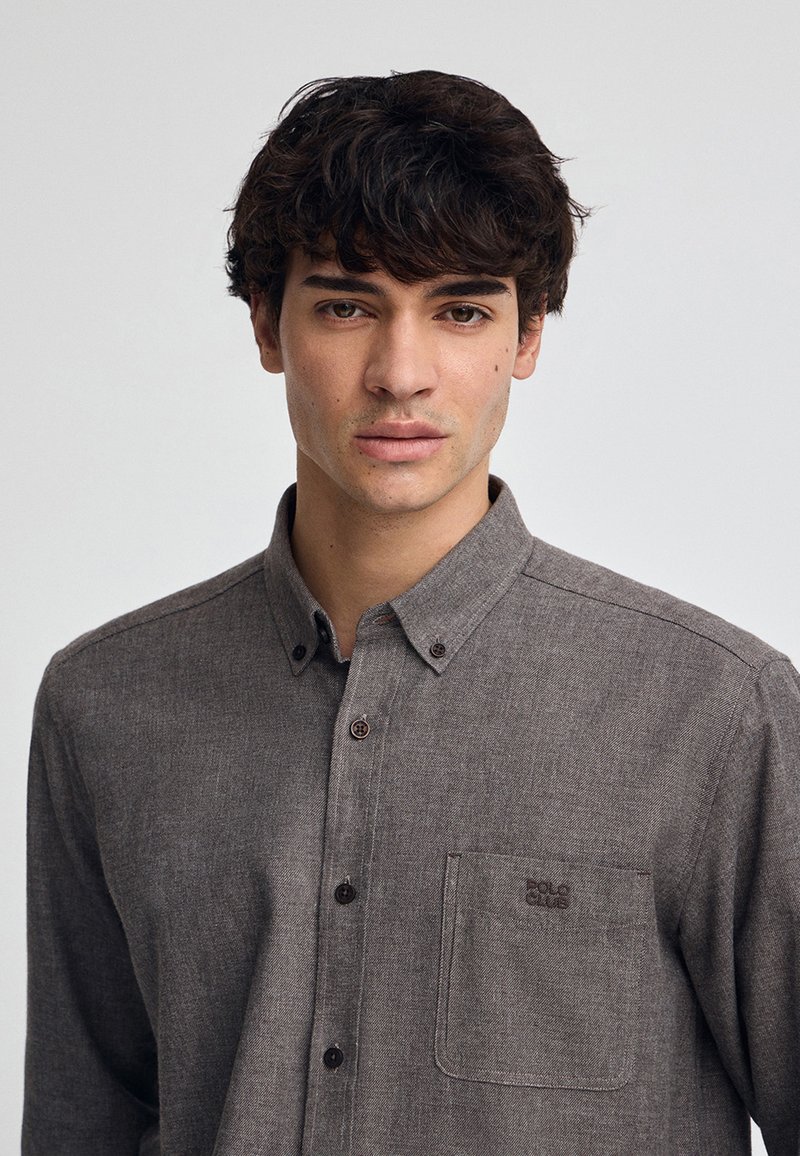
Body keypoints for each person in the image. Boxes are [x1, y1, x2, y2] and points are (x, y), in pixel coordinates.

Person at [23, 70, 799, 1156]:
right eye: (346, 306)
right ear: (267, 325)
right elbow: (84, 1118)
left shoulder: (715, 713)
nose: (400, 373)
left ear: (526, 337)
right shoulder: (107, 703)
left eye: (460, 311)